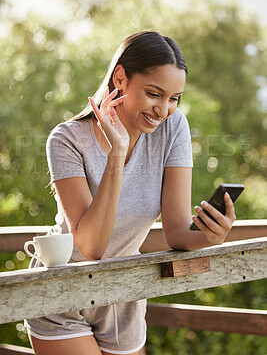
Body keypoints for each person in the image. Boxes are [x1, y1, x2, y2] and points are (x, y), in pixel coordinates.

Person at [25, 31, 236, 355]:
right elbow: (91, 246)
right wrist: (116, 154)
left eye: (174, 98)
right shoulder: (66, 140)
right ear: (121, 77)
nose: (164, 109)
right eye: (154, 93)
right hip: (59, 294)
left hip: (123, 293)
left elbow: (178, 233)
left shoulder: (172, 128)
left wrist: (211, 236)